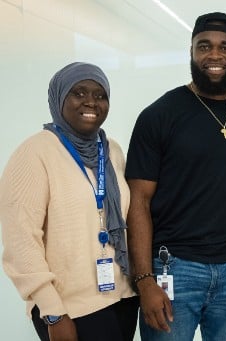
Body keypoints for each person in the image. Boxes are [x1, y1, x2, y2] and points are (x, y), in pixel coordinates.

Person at [124, 12, 226, 340]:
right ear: (191, 51)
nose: (214, 55)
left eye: (225, 47)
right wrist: (145, 280)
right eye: (204, 46)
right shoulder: (159, 115)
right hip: (174, 267)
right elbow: (138, 201)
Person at [0, 62, 139, 341]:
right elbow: (20, 242)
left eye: (100, 95)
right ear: (59, 97)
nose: (91, 102)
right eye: (79, 93)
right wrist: (52, 311)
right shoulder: (35, 152)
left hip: (122, 298)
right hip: (71, 308)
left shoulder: (110, 149)